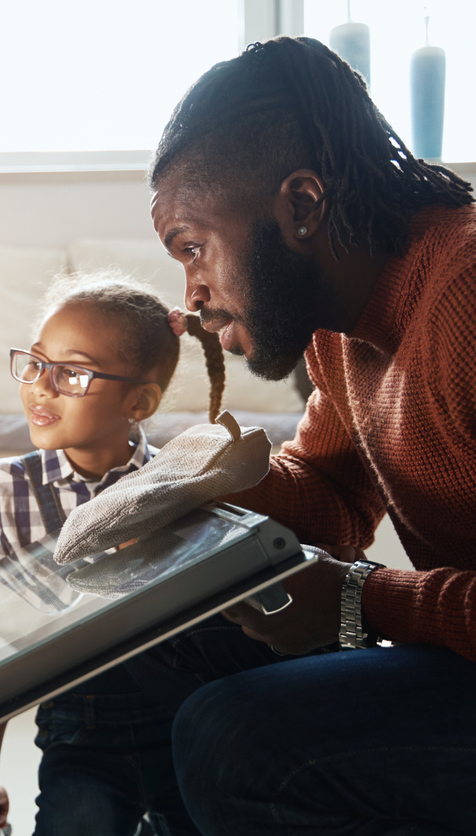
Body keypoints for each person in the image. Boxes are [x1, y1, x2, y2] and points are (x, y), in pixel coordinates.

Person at [134, 36, 476, 834]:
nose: (191, 294)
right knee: (163, 640)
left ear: (301, 205)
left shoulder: (465, 299)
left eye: (194, 247)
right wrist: (201, 473)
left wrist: (362, 601)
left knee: (238, 744)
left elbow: (349, 578)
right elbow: (329, 502)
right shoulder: (339, 327)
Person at [0, 276, 225, 836]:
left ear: (137, 402)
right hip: (78, 729)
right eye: (37, 363)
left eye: (71, 372)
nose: (41, 388)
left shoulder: (185, 483)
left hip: (184, 724)